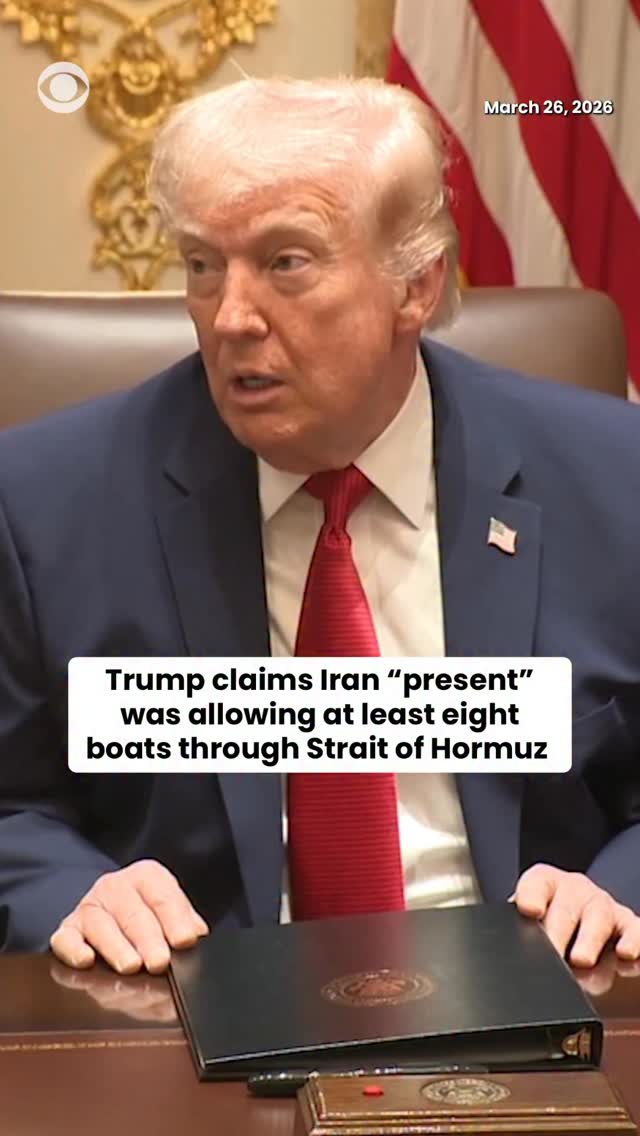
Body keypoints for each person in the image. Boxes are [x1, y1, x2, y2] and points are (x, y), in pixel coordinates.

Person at [0, 77, 639, 977]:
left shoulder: (614, 478)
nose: (231, 317)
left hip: (542, 990)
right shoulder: (44, 502)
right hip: (196, 1005)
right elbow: (13, 810)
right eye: (202, 265)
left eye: (286, 263)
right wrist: (75, 891)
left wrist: (616, 892)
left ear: (416, 285)